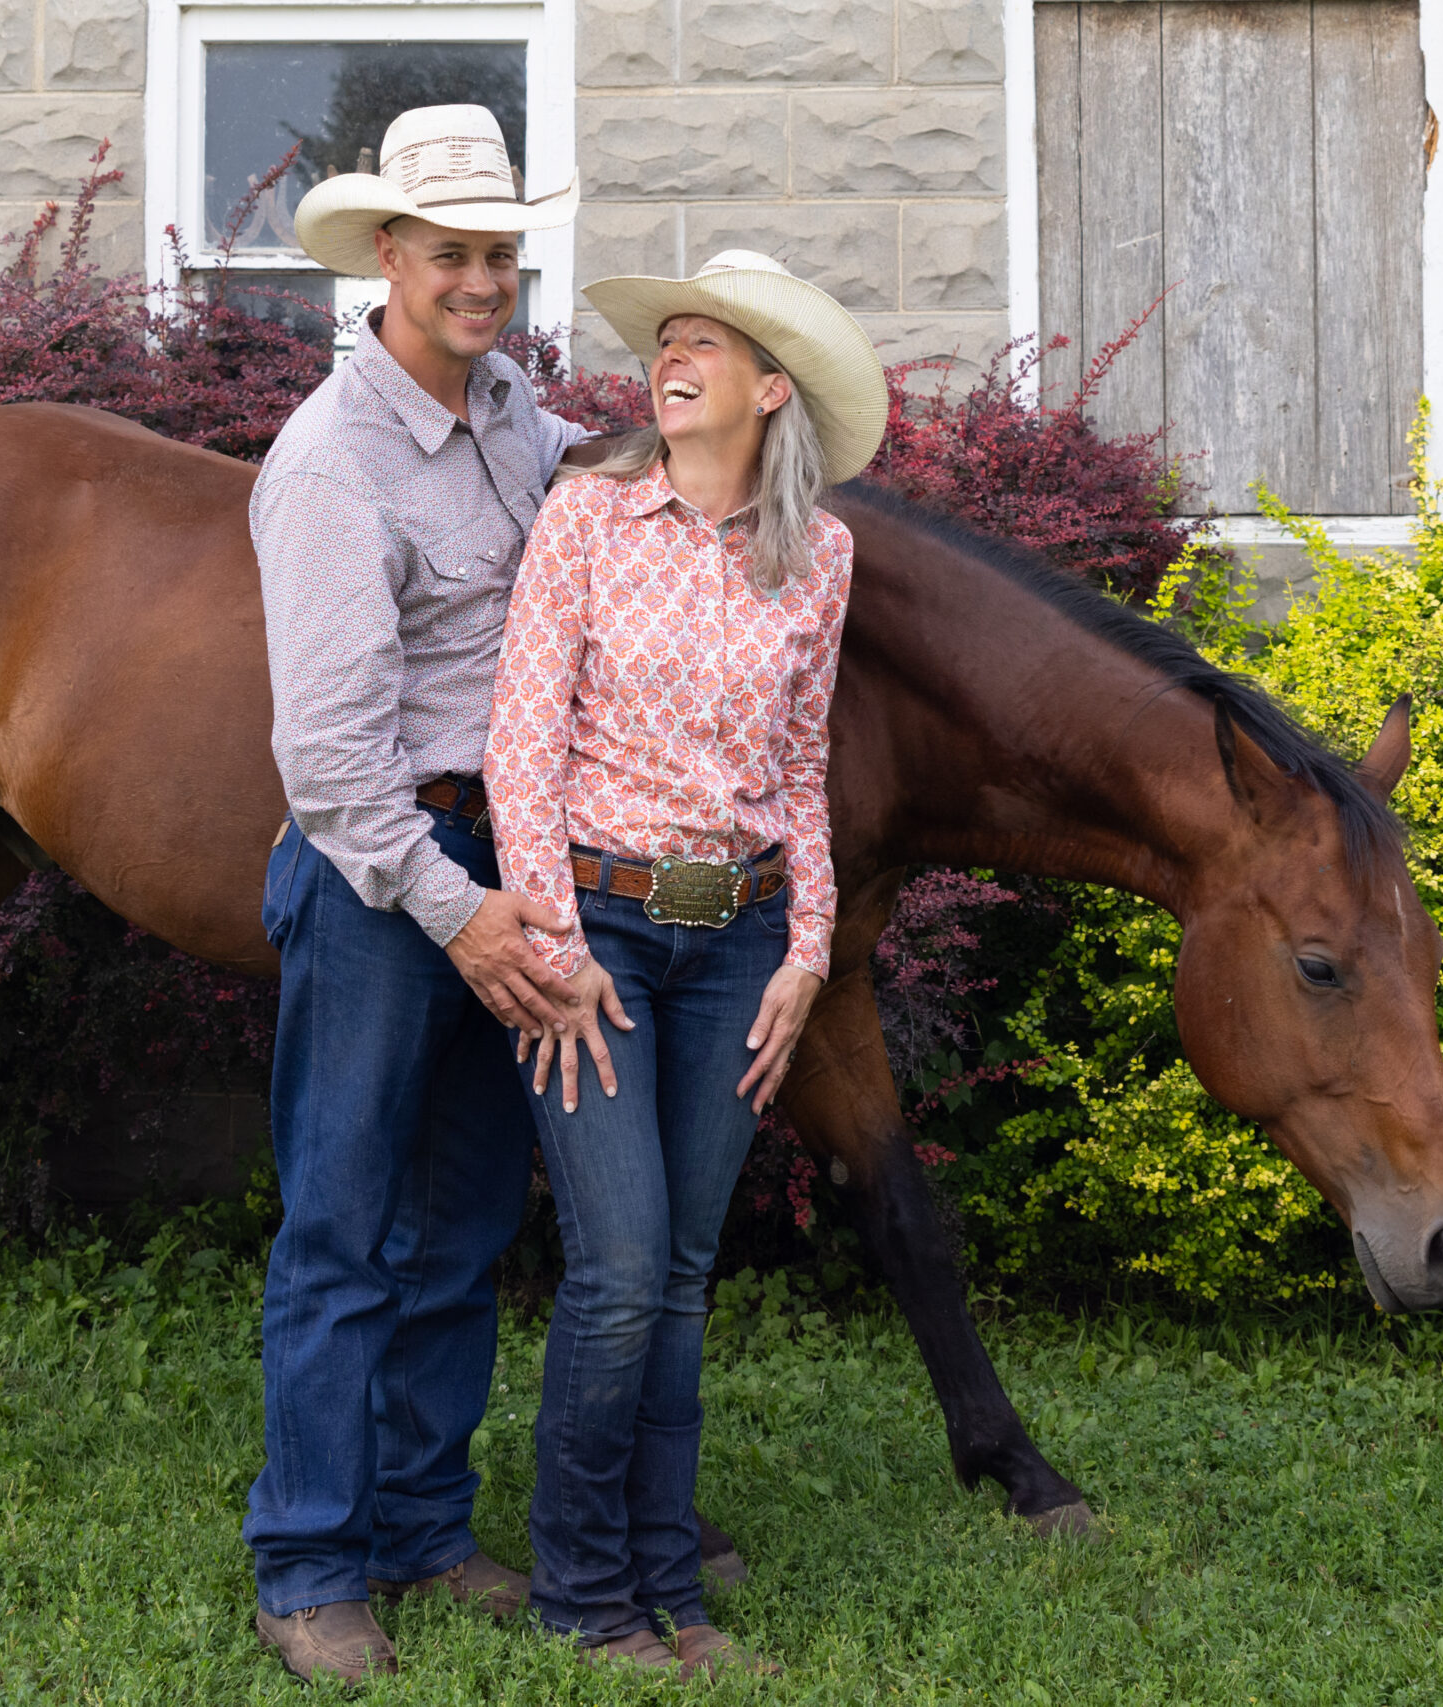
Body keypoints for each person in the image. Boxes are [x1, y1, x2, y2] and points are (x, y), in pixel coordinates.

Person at [246, 103, 624, 1686]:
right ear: (384, 260)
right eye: (451, 254)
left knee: (466, 1220)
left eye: (499, 254)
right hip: (381, 880)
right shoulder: (333, 464)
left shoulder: (517, 419)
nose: (481, 281)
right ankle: (312, 1563)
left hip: (512, 863)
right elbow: (331, 764)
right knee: (344, 1226)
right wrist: (458, 911)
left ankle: (419, 1523)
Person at [484, 251, 888, 1674]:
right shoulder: (587, 515)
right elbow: (519, 748)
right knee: (621, 1264)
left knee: (687, 1269)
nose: (674, 358)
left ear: (770, 391)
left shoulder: (818, 558)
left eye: (708, 345)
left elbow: (800, 765)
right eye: (668, 340)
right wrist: (557, 945)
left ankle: (677, 1594)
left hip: (743, 950)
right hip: (597, 936)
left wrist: (811, 951)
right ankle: (584, 1598)